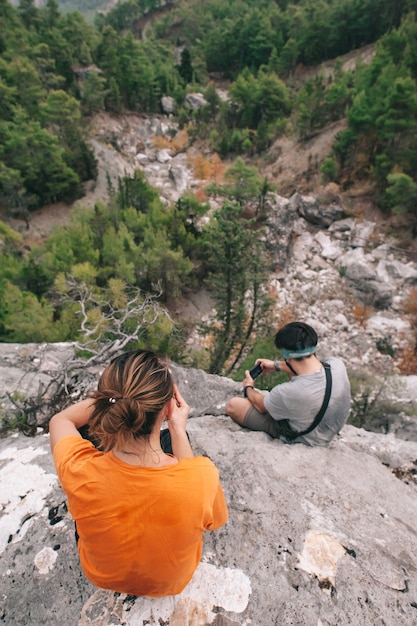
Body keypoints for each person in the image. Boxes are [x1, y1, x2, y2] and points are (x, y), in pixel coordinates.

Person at [49, 349, 228, 597]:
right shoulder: (202, 477)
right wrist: (177, 431)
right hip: (171, 584)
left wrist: (111, 400)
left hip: (101, 574)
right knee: (168, 442)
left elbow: (61, 420)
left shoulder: (79, 469)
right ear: (167, 408)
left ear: (106, 404)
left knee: (91, 441)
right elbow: (215, 522)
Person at [226, 321, 351, 446]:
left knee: (234, 405)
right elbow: (309, 370)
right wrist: (277, 365)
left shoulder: (289, 392)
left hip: (305, 438)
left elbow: (261, 406)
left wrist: (248, 387)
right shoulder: (336, 365)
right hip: (327, 431)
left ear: (288, 358)